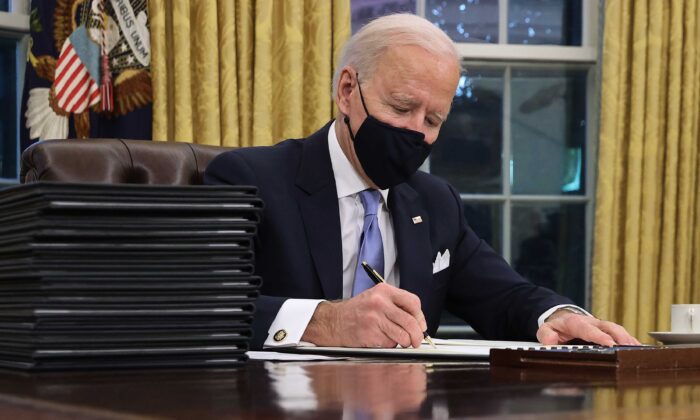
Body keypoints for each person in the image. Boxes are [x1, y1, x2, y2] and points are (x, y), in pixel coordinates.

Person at [204, 13, 639, 350]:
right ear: (347, 90)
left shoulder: (434, 202)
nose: (416, 132)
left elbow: (505, 297)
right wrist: (325, 322)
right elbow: (204, 308)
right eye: (401, 107)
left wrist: (555, 315)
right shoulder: (250, 180)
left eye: (433, 120)